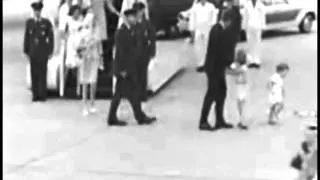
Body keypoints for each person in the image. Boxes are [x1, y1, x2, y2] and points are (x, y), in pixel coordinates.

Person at [107, 9, 156, 126]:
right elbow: (120, 53)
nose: (135, 19)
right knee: (122, 94)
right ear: (127, 18)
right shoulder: (121, 32)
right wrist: (122, 70)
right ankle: (115, 118)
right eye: (132, 17)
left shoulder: (133, 30)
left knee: (129, 94)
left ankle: (138, 116)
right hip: (124, 69)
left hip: (131, 68)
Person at [198, 10, 235, 131]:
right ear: (227, 21)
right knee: (211, 93)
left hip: (219, 68)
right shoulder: (216, 30)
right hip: (213, 68)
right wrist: (228, 62)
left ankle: (220, 119)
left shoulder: (222, 30)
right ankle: (203, 121)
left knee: (222, 92)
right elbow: (219, 50)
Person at [23, 2, 54, 102]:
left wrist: (50, 50)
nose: (37, 13)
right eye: (36, 11)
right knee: (34, 73)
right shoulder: (29, 22)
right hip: (33, 52)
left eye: (39, 11)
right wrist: (25, 51)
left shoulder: (46, 23)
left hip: (42, 51)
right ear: (33, 11)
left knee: (42, 73)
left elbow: (51, 38)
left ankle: (43, 94)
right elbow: (27, 37)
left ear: (41, 11)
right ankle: (35, 95)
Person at [77, 12, 104, 116]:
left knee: (93, 81)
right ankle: (84, 104)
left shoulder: (97, 33)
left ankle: (92, 103)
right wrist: (83, 50)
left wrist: (101, 59)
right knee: (84, 82)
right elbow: (79, 46)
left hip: (94, 58)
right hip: (85, 59)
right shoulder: (82, 32)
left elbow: (100, 47)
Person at [132, 2, 156, 103]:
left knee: (143, 74)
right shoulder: (131, 23)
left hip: (144, 52)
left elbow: (152, 38)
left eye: (140, 11)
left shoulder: (147, 24)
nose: (139, 13)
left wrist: (152, 52)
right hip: (133, 52)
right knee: (134, 74)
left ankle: (143, 94)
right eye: (137, 11)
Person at [189, 0, 219, 72]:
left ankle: (208, 64)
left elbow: (214, 19)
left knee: (207, 46)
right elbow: (192, 19)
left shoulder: (211, 6)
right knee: (198, 47)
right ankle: (200, 64)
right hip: (198, 28)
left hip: (207, 28)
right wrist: (192, 29)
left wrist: (213, 28)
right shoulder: (195, 7)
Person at [225, 49, 249, 130]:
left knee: (241, 106)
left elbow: (235, 72)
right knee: (240, 106)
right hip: (239, 90)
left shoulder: (244, 68)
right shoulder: (235, 65)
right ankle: (241, 121)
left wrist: (225, 71)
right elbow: (232, 69)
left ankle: (243, 122)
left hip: (242, 90)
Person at [243, 0, 265, 68]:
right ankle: (251, 61)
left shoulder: (260, 5)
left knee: (257, 43)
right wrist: (244, 27)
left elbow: (263, 17)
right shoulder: (247, 5)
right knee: (250, 44)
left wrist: (263, 26)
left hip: (258, 27)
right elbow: (245, 17)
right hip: (249, 26)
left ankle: (256, 60)